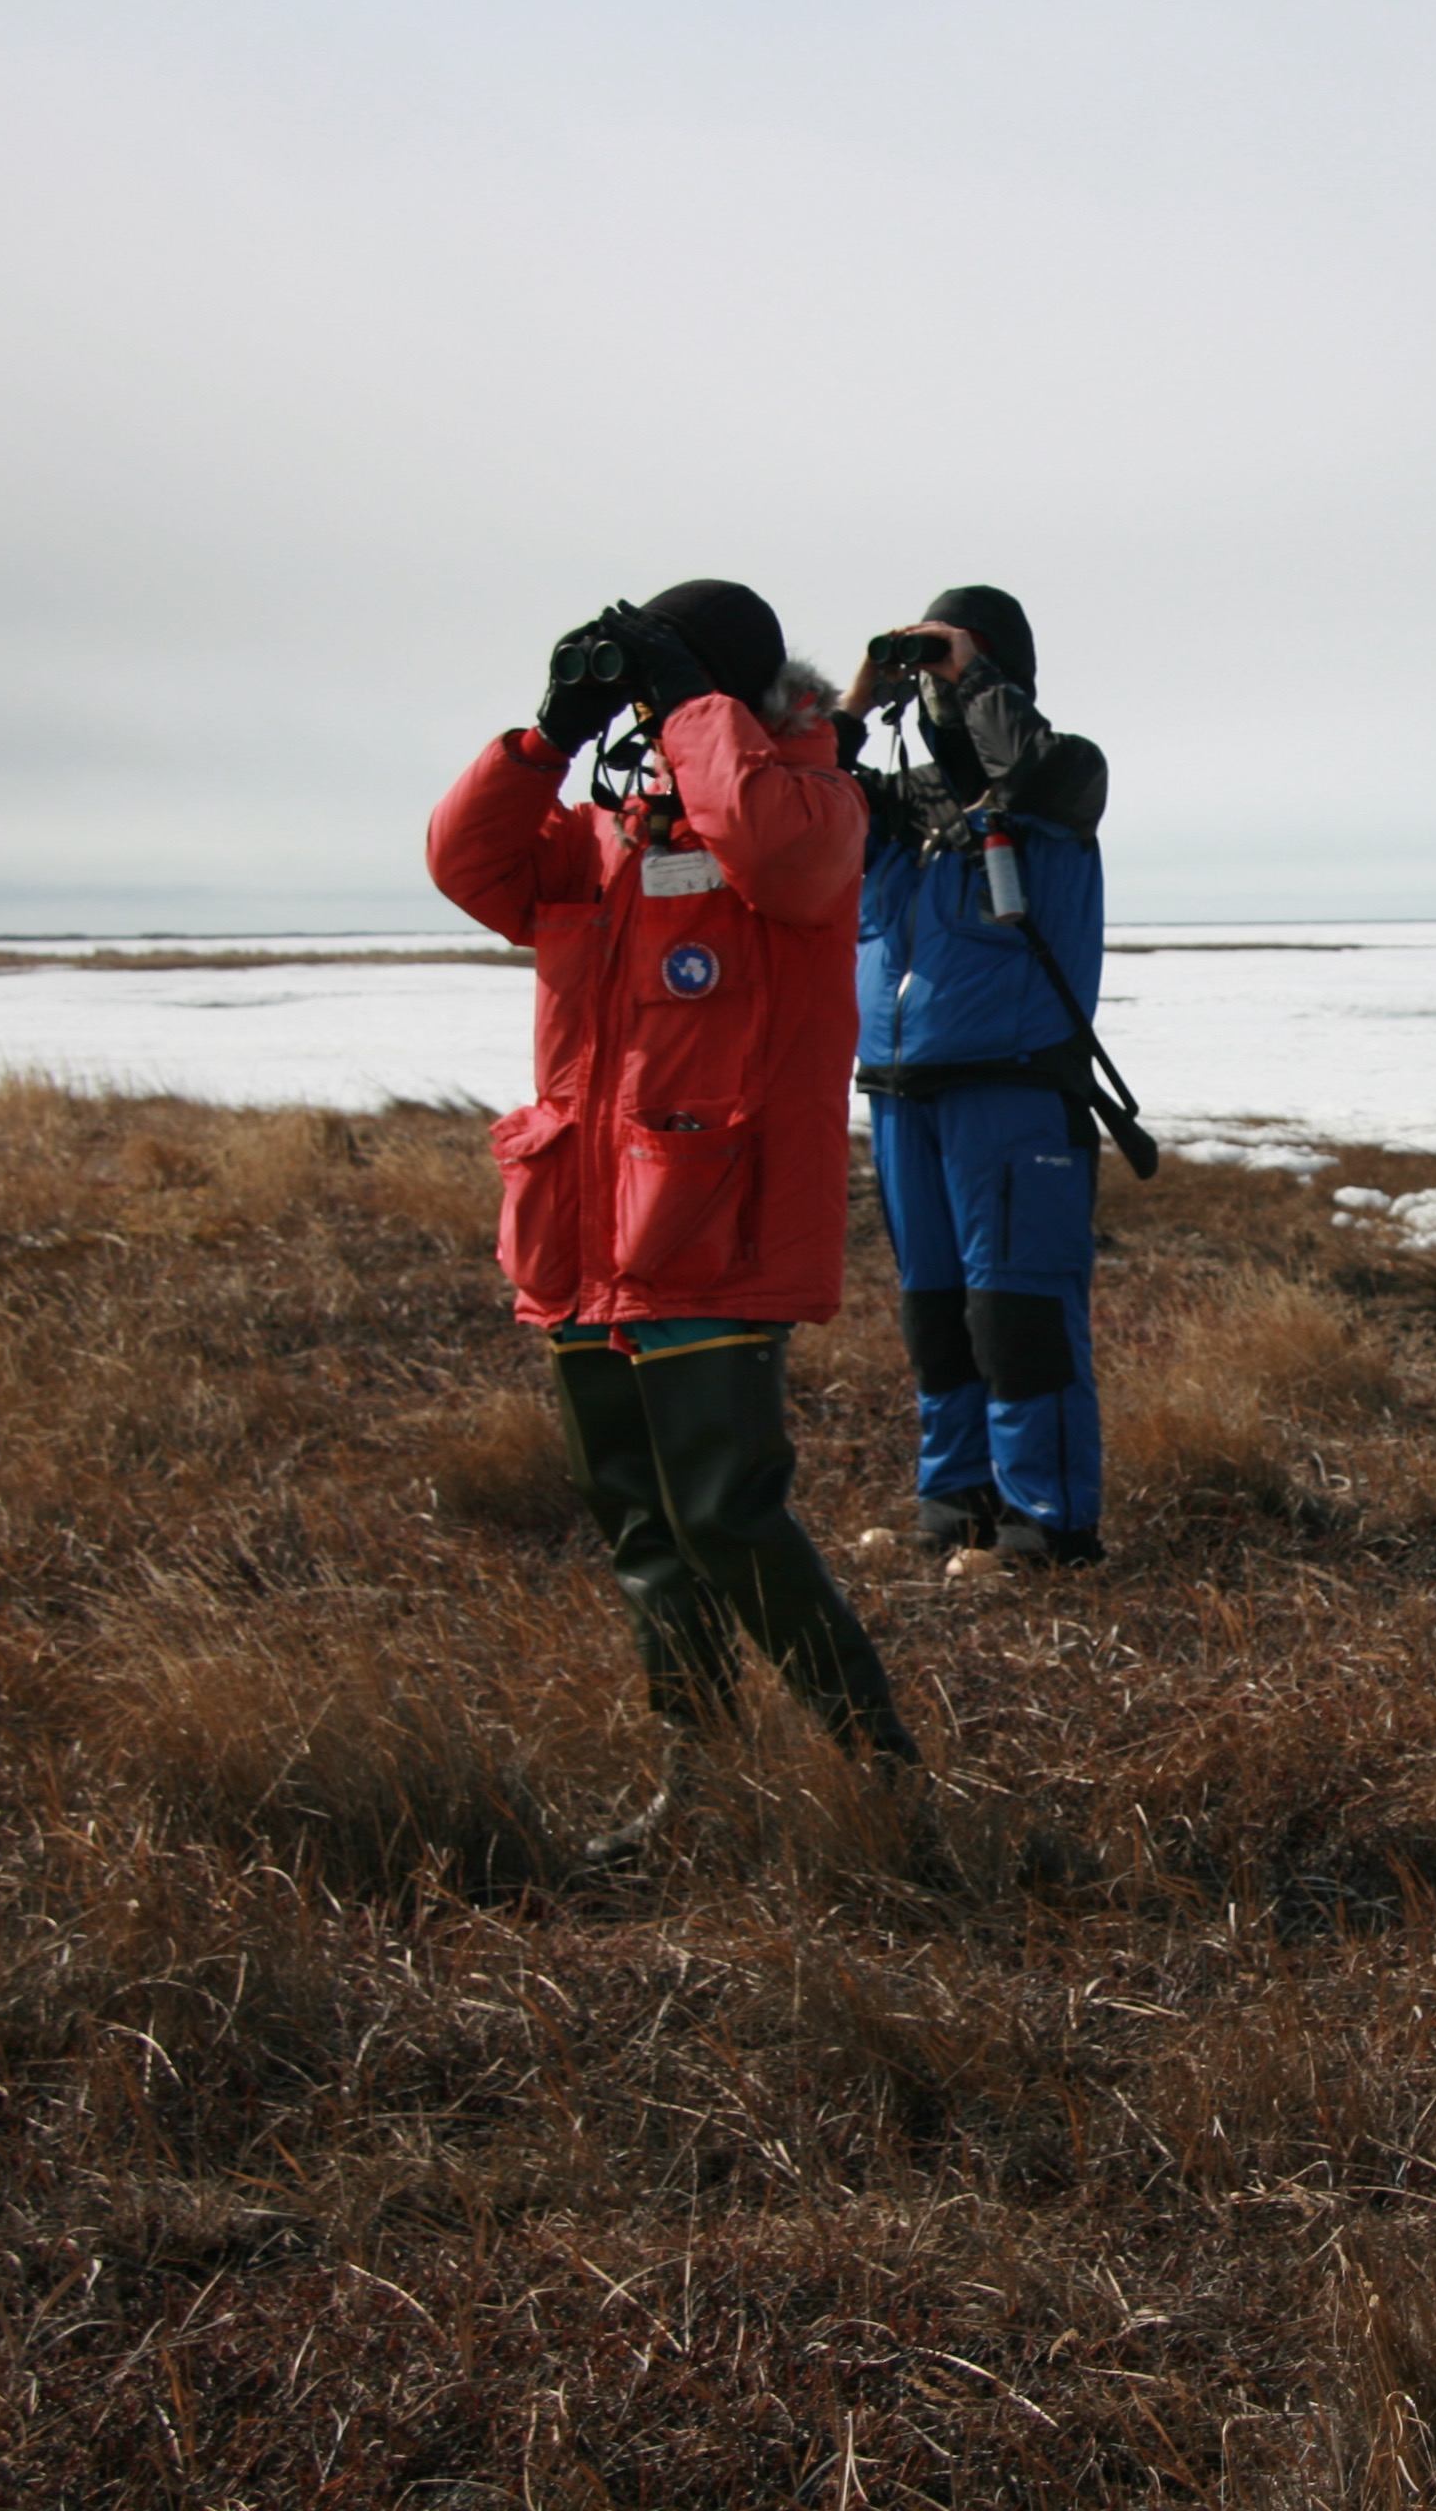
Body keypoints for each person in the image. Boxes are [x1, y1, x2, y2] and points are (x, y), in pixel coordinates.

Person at [427, 578, 917, 1859]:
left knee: (726, 1515)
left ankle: (886, 1776)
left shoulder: (812, 800)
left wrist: (700, 702)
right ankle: (700, 1788)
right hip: (589, 1239)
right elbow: (468, 864)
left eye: (671, 683)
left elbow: (770, 848)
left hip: (717, 1233)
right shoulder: (604, 836)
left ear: (722, 692)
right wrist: (544, 737)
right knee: (642, 1522)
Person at [837, 585, 1115, 1568]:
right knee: (938, 1314)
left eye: (948, 655)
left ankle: (1048, 1525)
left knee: (1018, 1313)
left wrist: (979, 678)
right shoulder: (899, 811)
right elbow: (806, 797)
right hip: (903, 1094)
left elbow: (1033, 767)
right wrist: (859, 699)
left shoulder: (1060, 777)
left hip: (1013, 1087)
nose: (935, 677)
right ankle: (956, 1510)